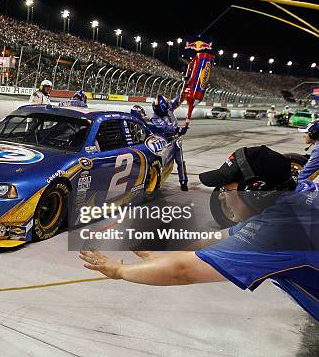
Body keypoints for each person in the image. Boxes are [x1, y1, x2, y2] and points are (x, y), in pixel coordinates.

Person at [79, 146, 318, 320]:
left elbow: (182, 272)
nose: (222, 195)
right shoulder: (294, 196)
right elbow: (216, 240)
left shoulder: (278, 232)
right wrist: (152, 253)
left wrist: (120, 270)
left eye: (226, 188)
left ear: (256, 192)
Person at [151, 94, 189, 191]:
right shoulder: (155, 118)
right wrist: (179, 130)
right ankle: (157, 182)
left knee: (180, 162)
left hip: (176, 141)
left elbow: (177, 100)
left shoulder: (169, 108)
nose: (169, 106)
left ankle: (184, 182)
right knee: (163, 163)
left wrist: (185, 91)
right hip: (165, 144)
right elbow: (165, 128)